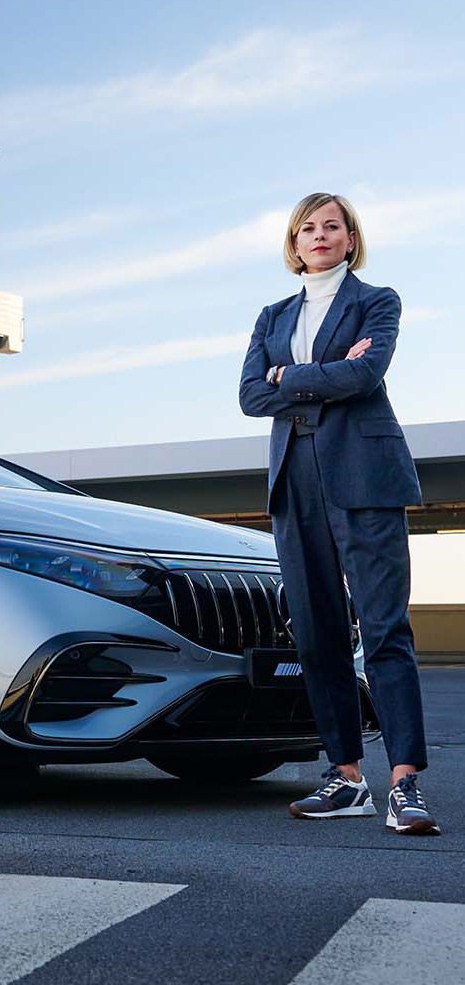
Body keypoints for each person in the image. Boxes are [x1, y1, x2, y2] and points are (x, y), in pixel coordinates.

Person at [238, 192, 440, 836]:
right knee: (318, 634)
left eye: (332, 226)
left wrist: (287, 378)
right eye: (307, 228)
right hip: (294, 481)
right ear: (293, 245)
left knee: (384, 629)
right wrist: (324, 371)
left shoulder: (377, 300)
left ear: (351, 239)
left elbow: (367, 375)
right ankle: (346, 776)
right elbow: (248, 396)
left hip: (365, 475)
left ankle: (404, 781)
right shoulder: (272, 314)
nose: (319, 235)